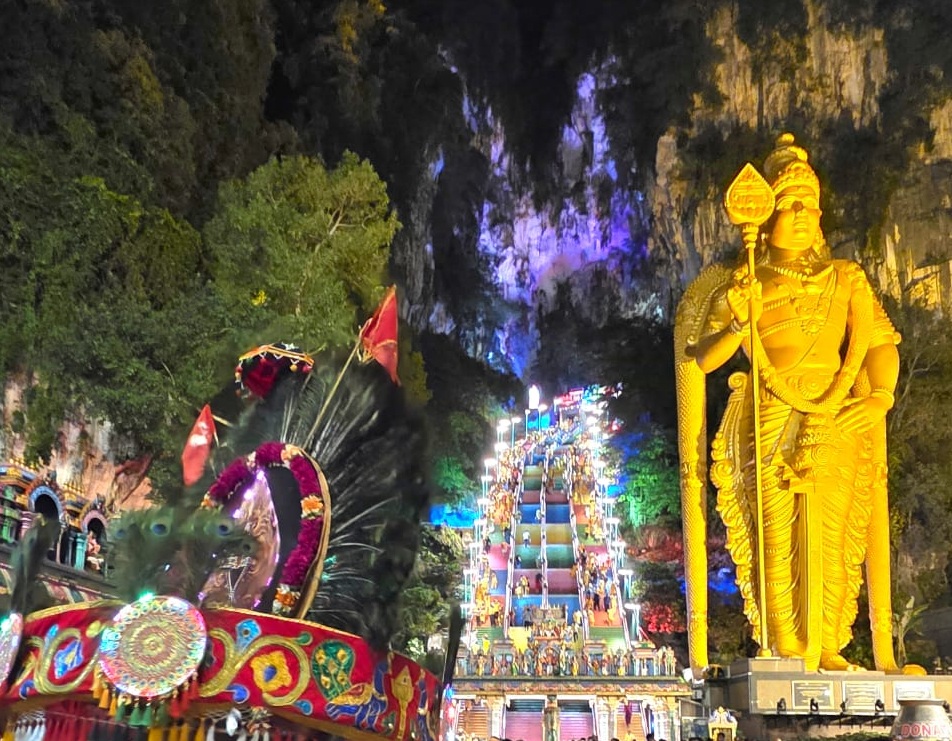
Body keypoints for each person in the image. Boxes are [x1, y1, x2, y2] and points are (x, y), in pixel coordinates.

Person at [677, 133, 912, 673]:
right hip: (769, 411)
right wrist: (737, 320)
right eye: (788, 206)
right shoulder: (747, 280)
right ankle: (785, 642)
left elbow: (879, 343)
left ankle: (828, 645)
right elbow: (704, 358)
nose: (802, 215)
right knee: (774, 533)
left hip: (836, 410)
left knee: (833, 530)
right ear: (766, 217)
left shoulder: (847, 278)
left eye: (810, 204)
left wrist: (878, 395)